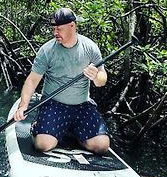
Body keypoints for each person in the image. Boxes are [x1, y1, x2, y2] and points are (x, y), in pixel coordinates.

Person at [13, 8, 110, 155]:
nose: (55, 33)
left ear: (72, 26)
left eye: (59, 28)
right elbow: (32, 81)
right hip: (54, 104)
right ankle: (41, 127)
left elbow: (102, 80)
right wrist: (23, 106)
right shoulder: (47, 50)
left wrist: (96, 76)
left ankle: (72, 132)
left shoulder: (90, 47)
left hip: (82, 106)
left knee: (102, 146)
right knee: (43, 145)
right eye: (54, 29)